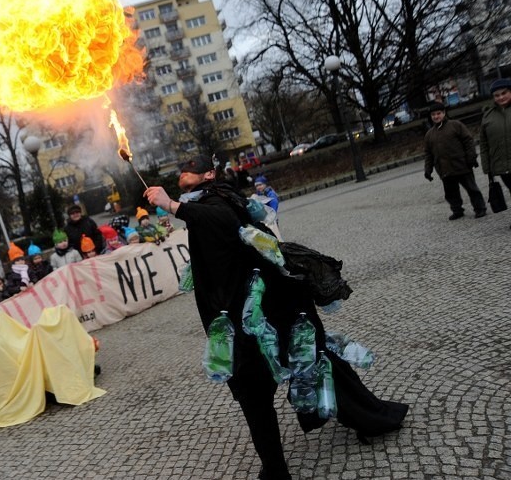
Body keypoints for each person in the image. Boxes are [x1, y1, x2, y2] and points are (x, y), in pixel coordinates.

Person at [144, 154, 408, 480]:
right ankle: (282, 464)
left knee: (282, 379)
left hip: (262, 312)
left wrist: (172, 206)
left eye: (190, 171)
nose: (183, 175)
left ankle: (365, 421)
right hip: (255, 308)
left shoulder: (218, 199)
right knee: (279, 382)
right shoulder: (209, 200)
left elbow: (221, 221)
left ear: (209, 174)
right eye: (181, 171)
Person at [424, 101, 486, 219]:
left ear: (444, 113)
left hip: (462, 165)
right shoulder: (429, 134)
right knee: (451, 193)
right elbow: (428, 154)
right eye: (433, 115)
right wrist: (428, 169)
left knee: (472, 189)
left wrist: (471, 157)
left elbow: (468, 141)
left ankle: (480, 208)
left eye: (438, 113)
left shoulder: (456, 125)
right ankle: (457, 210)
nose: (436, 116)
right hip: (444, 169)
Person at [480, 78, 511, 226]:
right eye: (496, 95)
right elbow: (484, 144)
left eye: (504, 93)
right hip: (502, 163)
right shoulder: (488, 115)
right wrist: (487, 167)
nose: (500, 97)